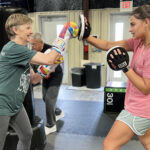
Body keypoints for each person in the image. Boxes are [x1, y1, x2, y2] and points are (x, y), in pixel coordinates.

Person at [0, 13, 78, 150]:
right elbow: (49, 59)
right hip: (2, 104)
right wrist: (64, 35)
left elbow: (34, 78)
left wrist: (50, 67)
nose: (31, 31)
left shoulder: (22, 51)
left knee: (26, 135)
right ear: (15, 30)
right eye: (27, 28)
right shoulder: (13, 48)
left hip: (16, 104)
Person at [82, 4, 150, 150]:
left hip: (140, 110)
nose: (130, 29)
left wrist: (125, 68)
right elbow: (108, 45)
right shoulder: (138, 42)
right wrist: (87, 37)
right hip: (143, 109)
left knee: (109, 144)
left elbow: (145, 88)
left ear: (146, 22)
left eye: (133, 24)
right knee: (148, 142)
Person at [30, 32, 64, 135]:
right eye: (31, 44)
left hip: (55, 76)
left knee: (49, 99)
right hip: (44, 76)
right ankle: (58, 112)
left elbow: (51, 69)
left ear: (41, 43)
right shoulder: (34, 51)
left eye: (34, 44)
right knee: (45, 98)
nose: (31, 47)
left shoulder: (51, 50)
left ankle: (51, 125)